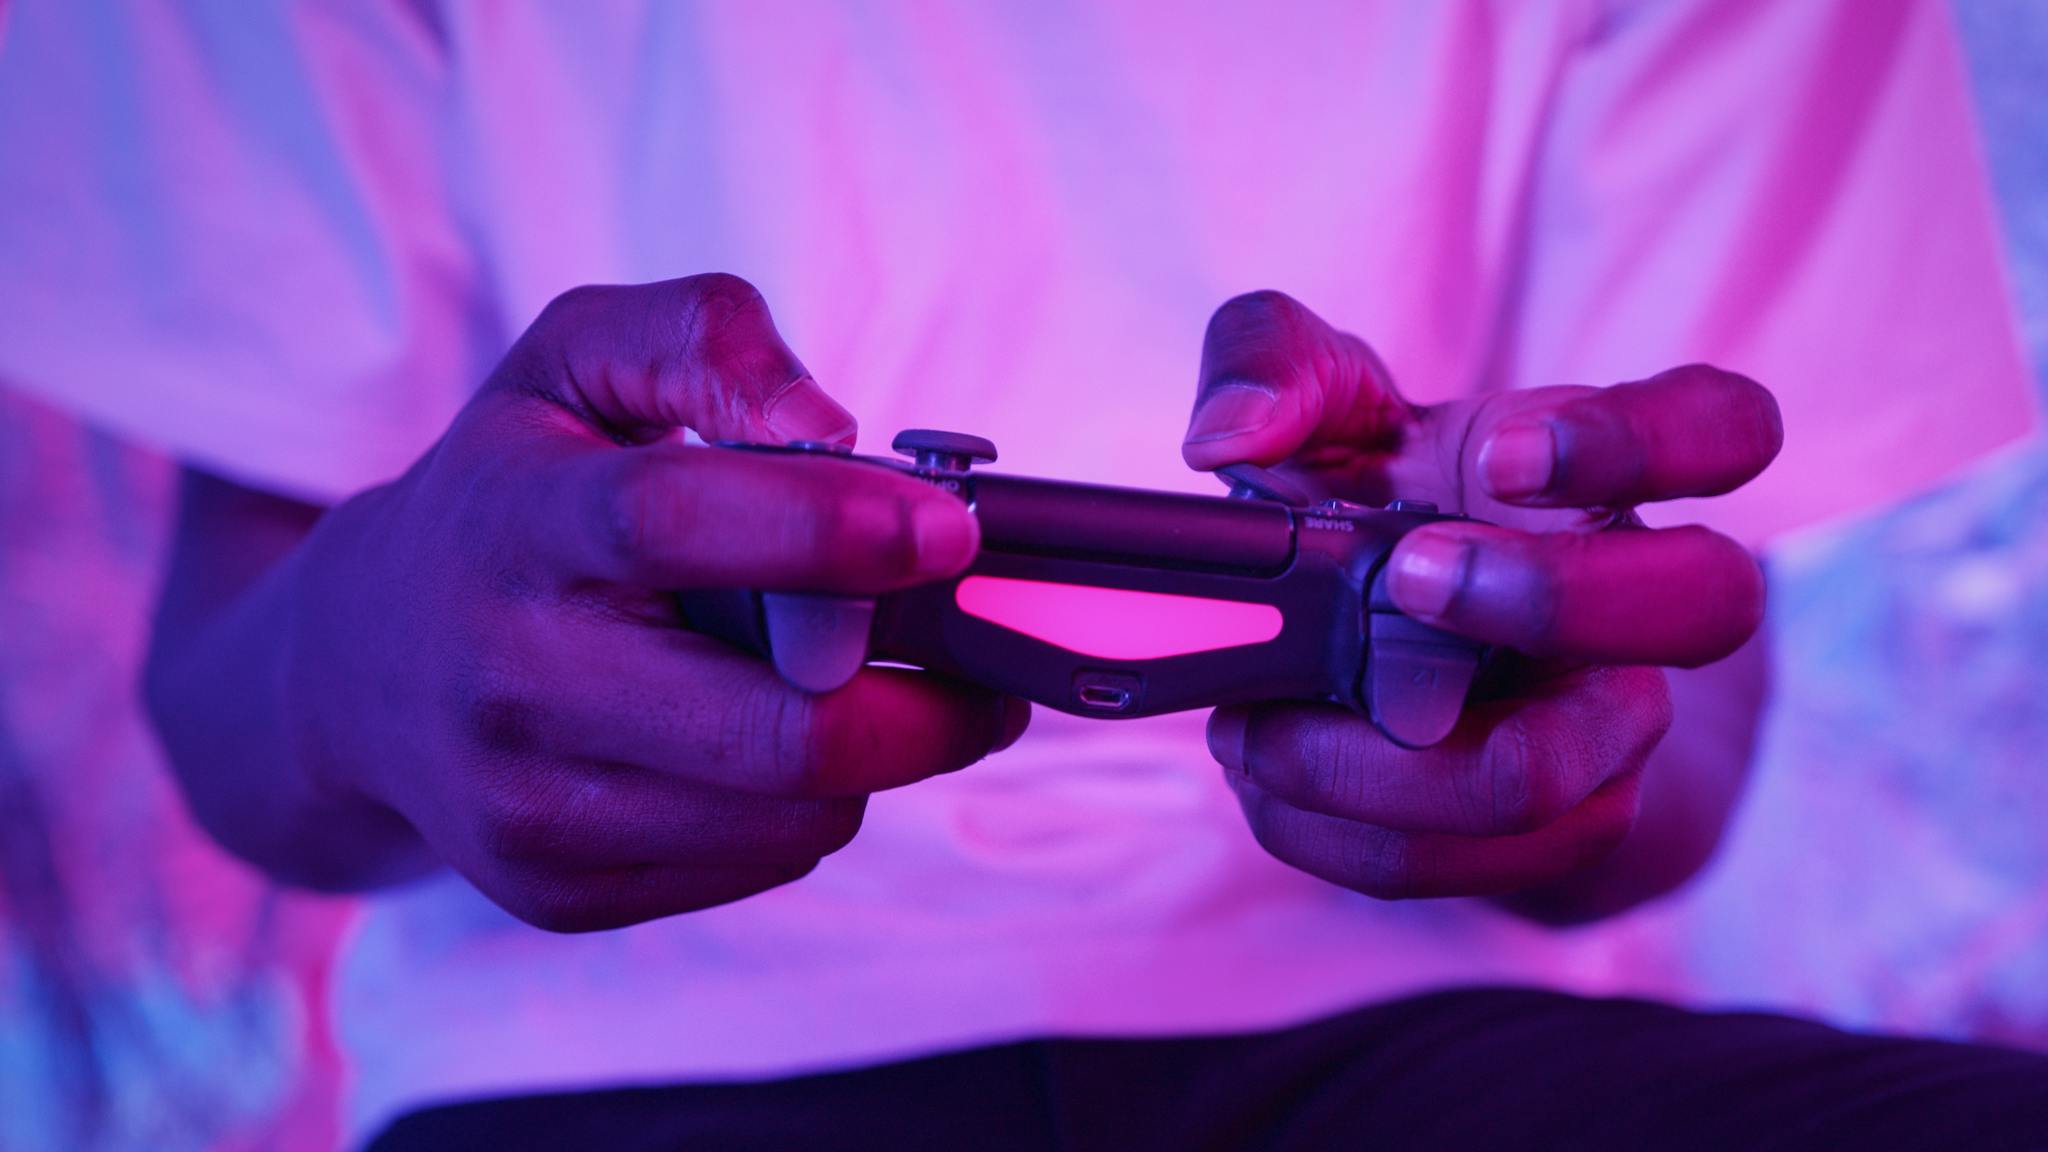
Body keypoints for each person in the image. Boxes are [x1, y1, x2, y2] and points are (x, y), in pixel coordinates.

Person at [1, 1, 2043, 1148]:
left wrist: (1543, 730)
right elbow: (236, 692)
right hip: (619, 1074)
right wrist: (371, 662)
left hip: (1448, 1055)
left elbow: (1672, 728)